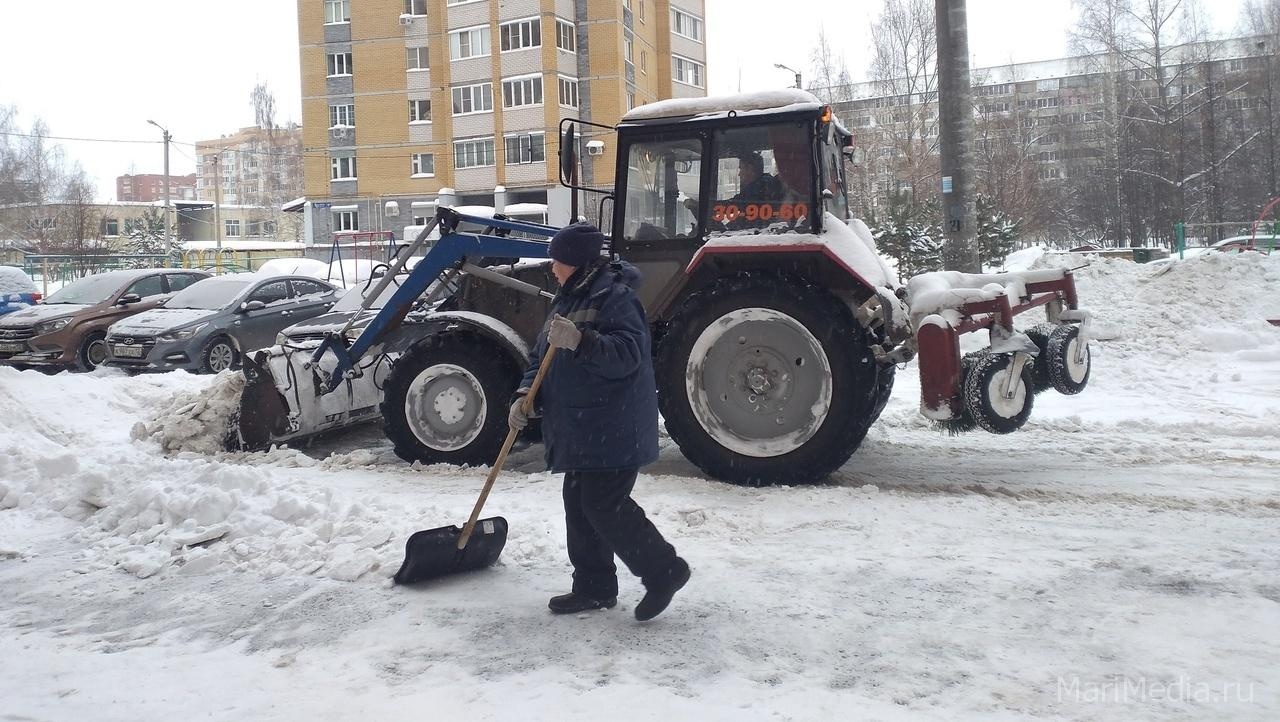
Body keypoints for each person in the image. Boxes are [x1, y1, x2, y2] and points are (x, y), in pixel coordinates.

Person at [508, 223, 690, 621]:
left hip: (613, 423)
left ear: (575, 262)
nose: (552, 268)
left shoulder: (615, 297)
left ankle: (664, 571)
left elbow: (628, 355)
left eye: (557, 261)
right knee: (579, 503)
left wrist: (583, 341)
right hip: (582, 427)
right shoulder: (567, 300)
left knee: (603, 503)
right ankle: (594, 587)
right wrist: (526, 396)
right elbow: (543, 361)